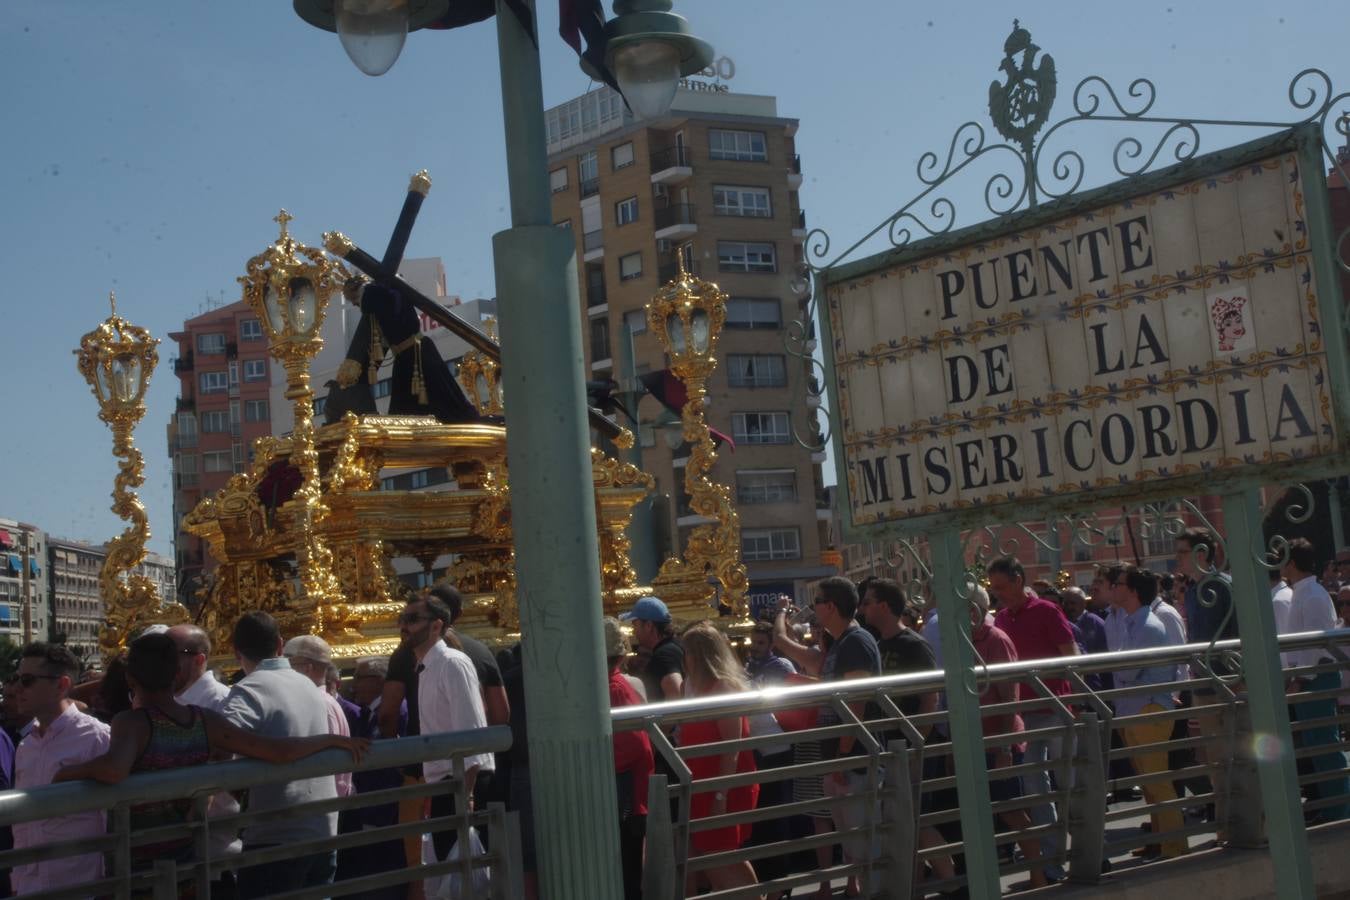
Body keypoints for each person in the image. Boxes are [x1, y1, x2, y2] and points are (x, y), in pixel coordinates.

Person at [53, 634, 366, 876]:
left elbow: (113, 771)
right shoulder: (204, 720)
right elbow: (278, 751)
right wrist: (331, 739)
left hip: (137, 859)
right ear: (176, 673)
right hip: (188, 852)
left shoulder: (131, 722)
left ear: (130, 678)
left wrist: (67, 773)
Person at [222, 612, 343, 893]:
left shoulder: (250, 688)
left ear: (236, 652)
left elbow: (221, 742)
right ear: (279, 644)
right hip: (321, 828)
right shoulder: (308, 684)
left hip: (276, 835)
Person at [989, 556, 1079, 882]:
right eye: (992, 588)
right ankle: (1052, 865)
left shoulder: (1046, 611)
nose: (997, 593)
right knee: (1036, 791)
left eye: (1000, 587)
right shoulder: (1000, 618)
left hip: (1054, 710)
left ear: (1017, 580)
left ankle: (1083, 855)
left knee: (1068, 787)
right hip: (1024, 717)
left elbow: (1071, 655)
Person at [861, 578, 955, 886]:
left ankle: (951, 882)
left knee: (918, 821)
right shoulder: (878, 644)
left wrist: (918, 744)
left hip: (911, 746)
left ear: (884, 606)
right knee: (902, 823)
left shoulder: (913, 645)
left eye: (868, 602)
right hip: (890, 745)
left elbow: (931, 698)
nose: (863, 608)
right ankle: (913, 886)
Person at [11, 642, 110, 896]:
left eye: (28, 680)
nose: (17, 688)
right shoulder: (26, 744)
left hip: (78, 887)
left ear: (61, 685)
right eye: (16, 678)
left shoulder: (95, 737)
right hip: (27, 886)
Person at [403, 593, 493, 863]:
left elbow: (472, 733)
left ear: (436, 626)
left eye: (412, 619)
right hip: (446, 783)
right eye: (402, 619)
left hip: (464, 783)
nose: (404, 626)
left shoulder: (452, 663)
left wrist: (466, 796)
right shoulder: (427, 666)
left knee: (466, 880)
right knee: (450, 880)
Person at [1107, 565, 1189, 859]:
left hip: (1149, 709)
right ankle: (1162, 841)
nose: (1112, 588)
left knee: (1159, 784)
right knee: (1152, 786)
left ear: (1132, 591)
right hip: (1135, 709)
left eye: (1117, 584)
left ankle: (1174, 846)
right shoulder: (1134, 622)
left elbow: (1128, 671)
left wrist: (1114, 664)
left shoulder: (1148, 625)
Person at [969, 587, 1046, 888]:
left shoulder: (996, 640)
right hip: (978, 738)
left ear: (973, 610)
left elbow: (1009, 698)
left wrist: (1004, 748)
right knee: (993, 813)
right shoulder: (967, 640)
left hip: (1000, 740)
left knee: (1012, 812)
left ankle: (1038, 875)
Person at [679, 621, 761, 894]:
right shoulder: (697, 688)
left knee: (722, 857)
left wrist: (719, 796)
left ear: (700, 655)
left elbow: (732, 748)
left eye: (688, 652)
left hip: (723, 787)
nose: (685, 658)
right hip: (705, 784)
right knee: (712, 859)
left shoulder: (723, 689)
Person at [813, 576, 882, 900]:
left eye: (816, 602)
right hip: (841, 758)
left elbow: (857, 702)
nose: (813, 608)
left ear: (830, 606)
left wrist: (843, 755)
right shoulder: (841, 642)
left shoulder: (855, 642)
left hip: (853, 759)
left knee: (865, 842)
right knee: (854, 842)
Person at [340, 276, 479, 423]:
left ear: (355, 293)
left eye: (353, 301)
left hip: (415, 354)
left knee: (438, 398)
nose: (355, 304)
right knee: (406, 406)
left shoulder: (373, 294)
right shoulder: (380, 294)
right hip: (406, 356)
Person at [1279, 538, 1350, 822]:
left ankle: (1340, 807)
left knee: (1324, 744)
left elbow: (1317, 645)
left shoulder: (1313, 595)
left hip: (1316, 677)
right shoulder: (1304, 593)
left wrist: (1300, 677)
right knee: (1316, 743)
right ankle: (1333, 804)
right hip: (1309, 677)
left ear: (1292, 563)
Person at [426, 583, 510, 818]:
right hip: (476, 769)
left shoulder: (426, 657)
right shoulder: (481, 651)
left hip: (444, 773)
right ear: (460, 613)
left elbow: (388, 714)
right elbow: (501, 715)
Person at [336, 656, 407, 900]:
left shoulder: (395, 712)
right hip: (368, 810)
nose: (353, 684)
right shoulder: (367, 714)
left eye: (358, 678)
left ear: (379, 681)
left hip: (384, 811)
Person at [604, 617, 654, 900]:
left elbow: (634, 748)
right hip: (632, 794)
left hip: (625, 797)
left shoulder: (614, 688)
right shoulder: (623, 684)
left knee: (627, 872)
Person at [284, 634, 354, 798]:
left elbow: (330, 763)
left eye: (289, 663)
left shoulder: (319, 704)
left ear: (307, 668)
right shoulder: (324, 701)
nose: (284, 670)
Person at [620, 595, 685, 701]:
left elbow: (676, 693)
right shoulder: (675, 646)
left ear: (648, 626)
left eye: (635, 625)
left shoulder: (664, 655)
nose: (634, 631)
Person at [169, 623, 230, 710]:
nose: (162, 661)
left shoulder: (221, 702)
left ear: (198, 660)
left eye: (171, 654)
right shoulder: (166, 699)